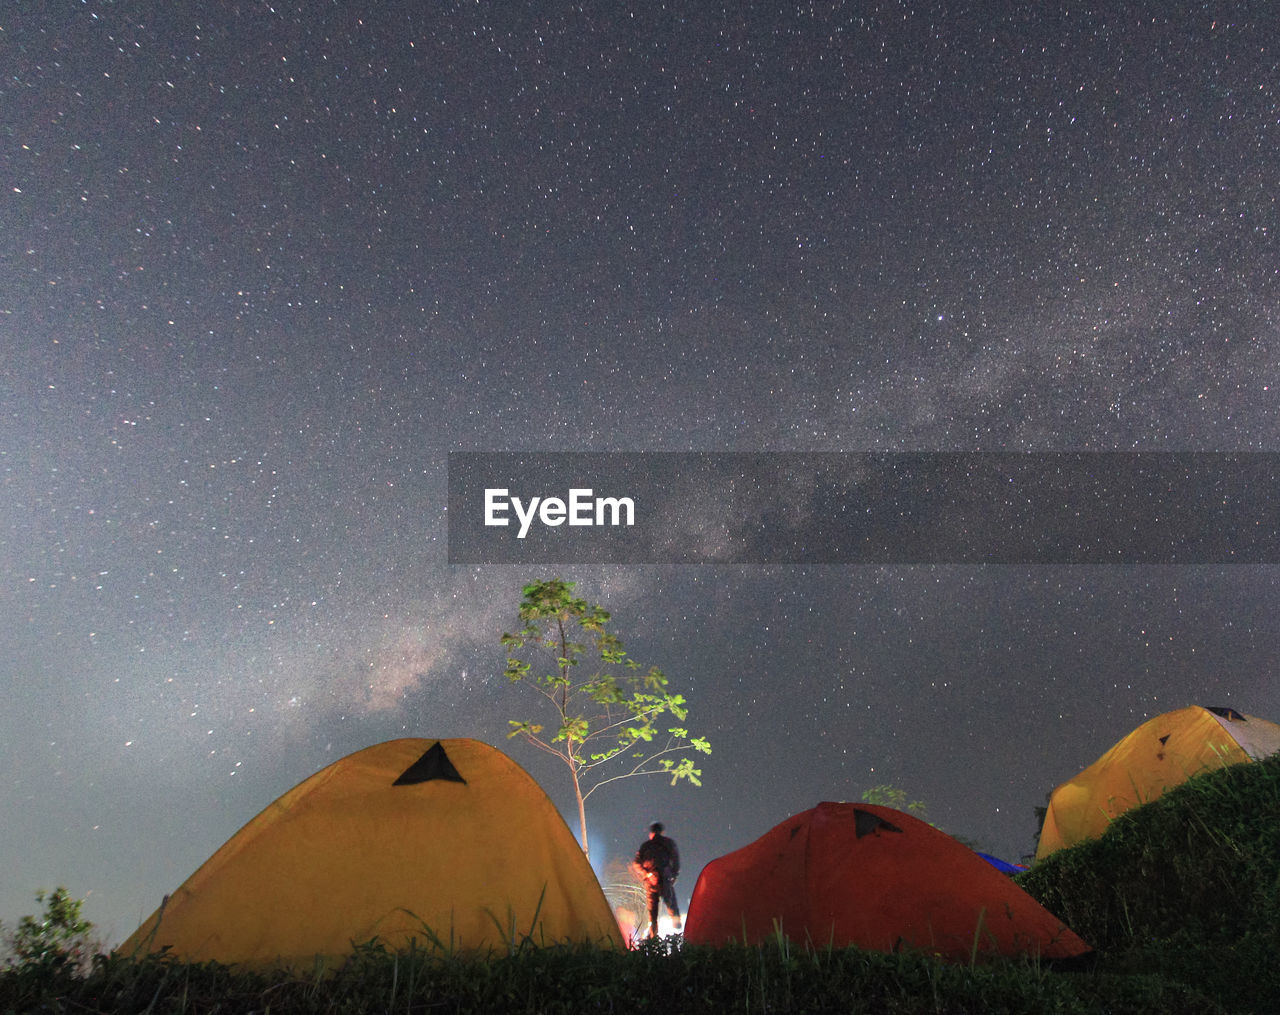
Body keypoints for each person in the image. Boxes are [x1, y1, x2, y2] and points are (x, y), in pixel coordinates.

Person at [633, 821, 681, 938]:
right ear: (662, 832)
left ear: (651, 833)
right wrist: (673, 875)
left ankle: (653, 937)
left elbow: (636, 863)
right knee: (671, 906)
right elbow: (676, 861)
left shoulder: (646, 846)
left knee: (652, 913)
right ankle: (679, 934)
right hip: (665, 880)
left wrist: (647, 874)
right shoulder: (669, 843)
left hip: (651, 883)